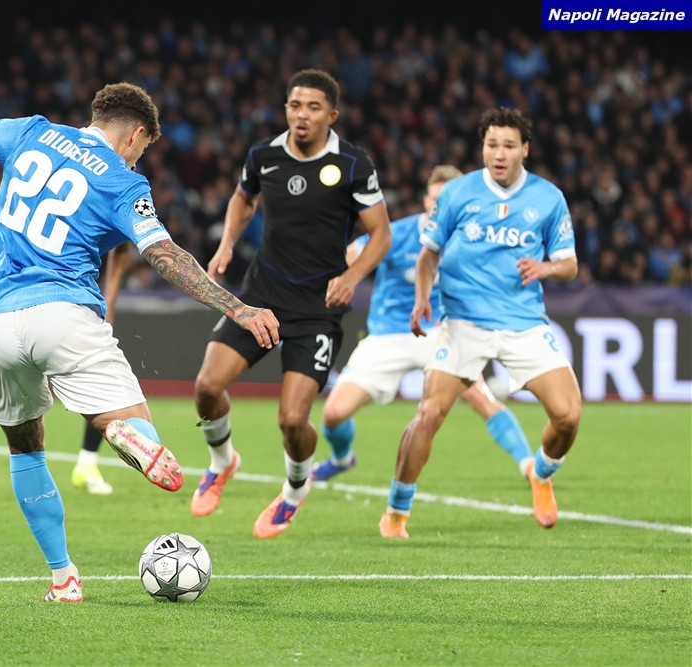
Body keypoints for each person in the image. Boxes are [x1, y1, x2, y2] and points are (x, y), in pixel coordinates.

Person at [0, 83, 279, 602]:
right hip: (62, 315)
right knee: (131, 422)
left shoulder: (27, 132)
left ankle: (63, 577)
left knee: (25, 448)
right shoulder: (122, 182)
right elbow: (166, 256)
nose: (138, 159)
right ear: (136, 134)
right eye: (143, 149)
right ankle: (123, 431)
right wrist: (237, 307)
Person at [190, 69, 391, 538]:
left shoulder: (353, 163)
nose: (302, 114)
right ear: (286, 109)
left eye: (313, 107)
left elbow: (381, 234)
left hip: (318, 309)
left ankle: (295, 490)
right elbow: (243, 199)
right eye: (295, 105)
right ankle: (222, 462)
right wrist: (227, 243)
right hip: (262, 298)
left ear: (331, 115)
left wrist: (352, 277)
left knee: (293, 420)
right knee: (206, 387)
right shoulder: (264, 155)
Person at [380, 108, 581, 539]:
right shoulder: (458, 192)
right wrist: (422, 298)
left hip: (523, 322)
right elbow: (428, 255)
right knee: (429, 414)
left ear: (525, 149)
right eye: (492, 145)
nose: (499, 154)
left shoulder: (548, 198)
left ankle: (542, 472)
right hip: (464, 322)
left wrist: (545, 268)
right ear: (483, 148)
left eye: (509, 145)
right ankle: (397, 509)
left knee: (568, 416)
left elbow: (569, 265)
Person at [314, 165, 534, 483]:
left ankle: (530, 466)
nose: (438, 206)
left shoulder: (472, 240)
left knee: (480, 398)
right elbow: (352, 254)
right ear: (426, 200)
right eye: (434, 199)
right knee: (334, 414)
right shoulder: (398, 234)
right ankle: (341, 458)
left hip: (437, 334)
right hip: (388, 336)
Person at [0, 245, 135, 495]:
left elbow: (120, 249)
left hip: (71, 298)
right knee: (2, 364)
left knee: (95, 375)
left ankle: (87, 463)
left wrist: (108, 304)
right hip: (20, 291)